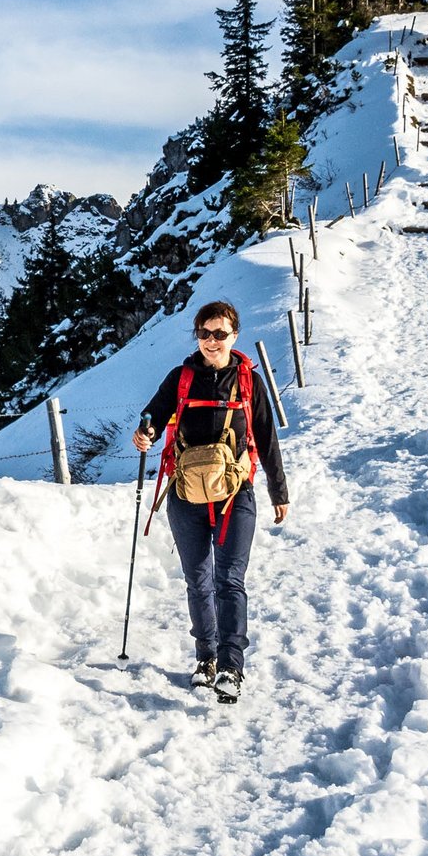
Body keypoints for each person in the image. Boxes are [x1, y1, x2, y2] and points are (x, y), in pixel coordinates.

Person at [132, 300, 289, 702]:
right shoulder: (181, 378)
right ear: (197, 335)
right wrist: (144, 433)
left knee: (229, 580)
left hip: (235, 493)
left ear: (234, 335)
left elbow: (267, 438)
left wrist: (278, 492)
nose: (212, 341)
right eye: (205, 333)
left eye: (220, 333)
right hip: (186, 494)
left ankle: (231, 666)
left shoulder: (248, 381)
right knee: (197, 579)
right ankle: (206, 658)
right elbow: (152, 414)